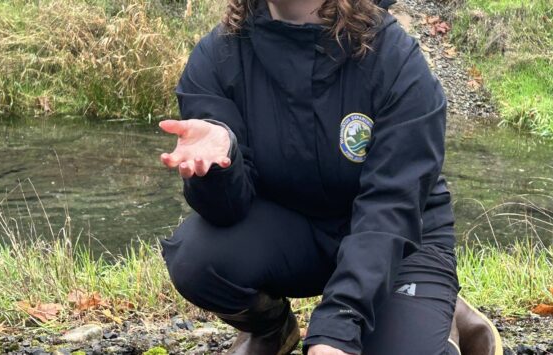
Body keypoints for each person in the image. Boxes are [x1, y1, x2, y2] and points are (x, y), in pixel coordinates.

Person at [159, 0, 502, 354]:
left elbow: (391, 207)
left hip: (400, 242)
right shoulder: (217, 56)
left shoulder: (396, 58)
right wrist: (221, 165)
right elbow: (225, 212)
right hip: (298, 232)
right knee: (196, 257)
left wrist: (335, 329)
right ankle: (273, 330)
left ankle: (439, 314)